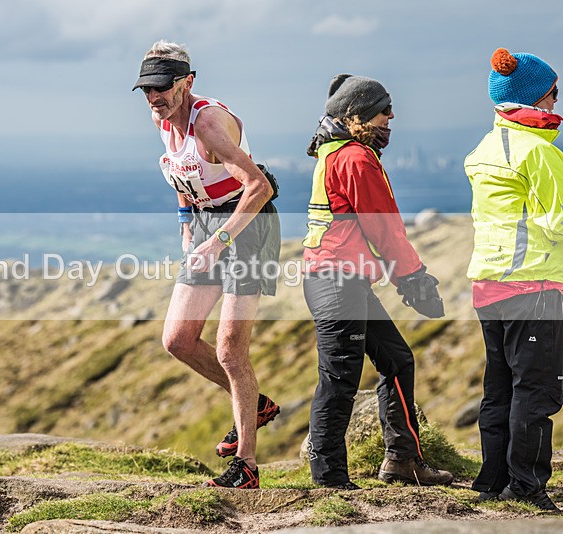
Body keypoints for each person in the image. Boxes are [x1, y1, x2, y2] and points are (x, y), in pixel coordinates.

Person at [132, 40, 281, 489]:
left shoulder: (209, 124)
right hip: (205, 227)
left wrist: (217, 241)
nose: (154, 97)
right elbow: (182, 176)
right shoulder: (162, 121)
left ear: (186, 82)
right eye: (146, 90)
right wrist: (185, 223)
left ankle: (248, 467)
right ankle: (254, 405)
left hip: (246, 228)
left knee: (230, 350)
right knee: (177, 339)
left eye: (161, 88)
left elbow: (259, 187)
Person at [302, 74, 453, 489]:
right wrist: (414, 279)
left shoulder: (336, 151)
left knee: (398, 360)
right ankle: (329, 476)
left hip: (340, 281)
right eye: (384, 111)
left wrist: (407, 279)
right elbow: (384, 229)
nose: (391, 118)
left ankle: (402, 461)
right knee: (339, 378)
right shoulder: (355, 158)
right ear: (357, 117)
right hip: (337, 283)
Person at [465, 48, 563, 511]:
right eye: (553, 93)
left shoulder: (485, 149)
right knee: (536, 390)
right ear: (535, 99)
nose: (555, 101)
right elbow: (555, 222)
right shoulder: (540, 153)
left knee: (499, 386)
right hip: (536, 285)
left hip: (488, 284)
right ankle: (526, 487)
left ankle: (493, 479)